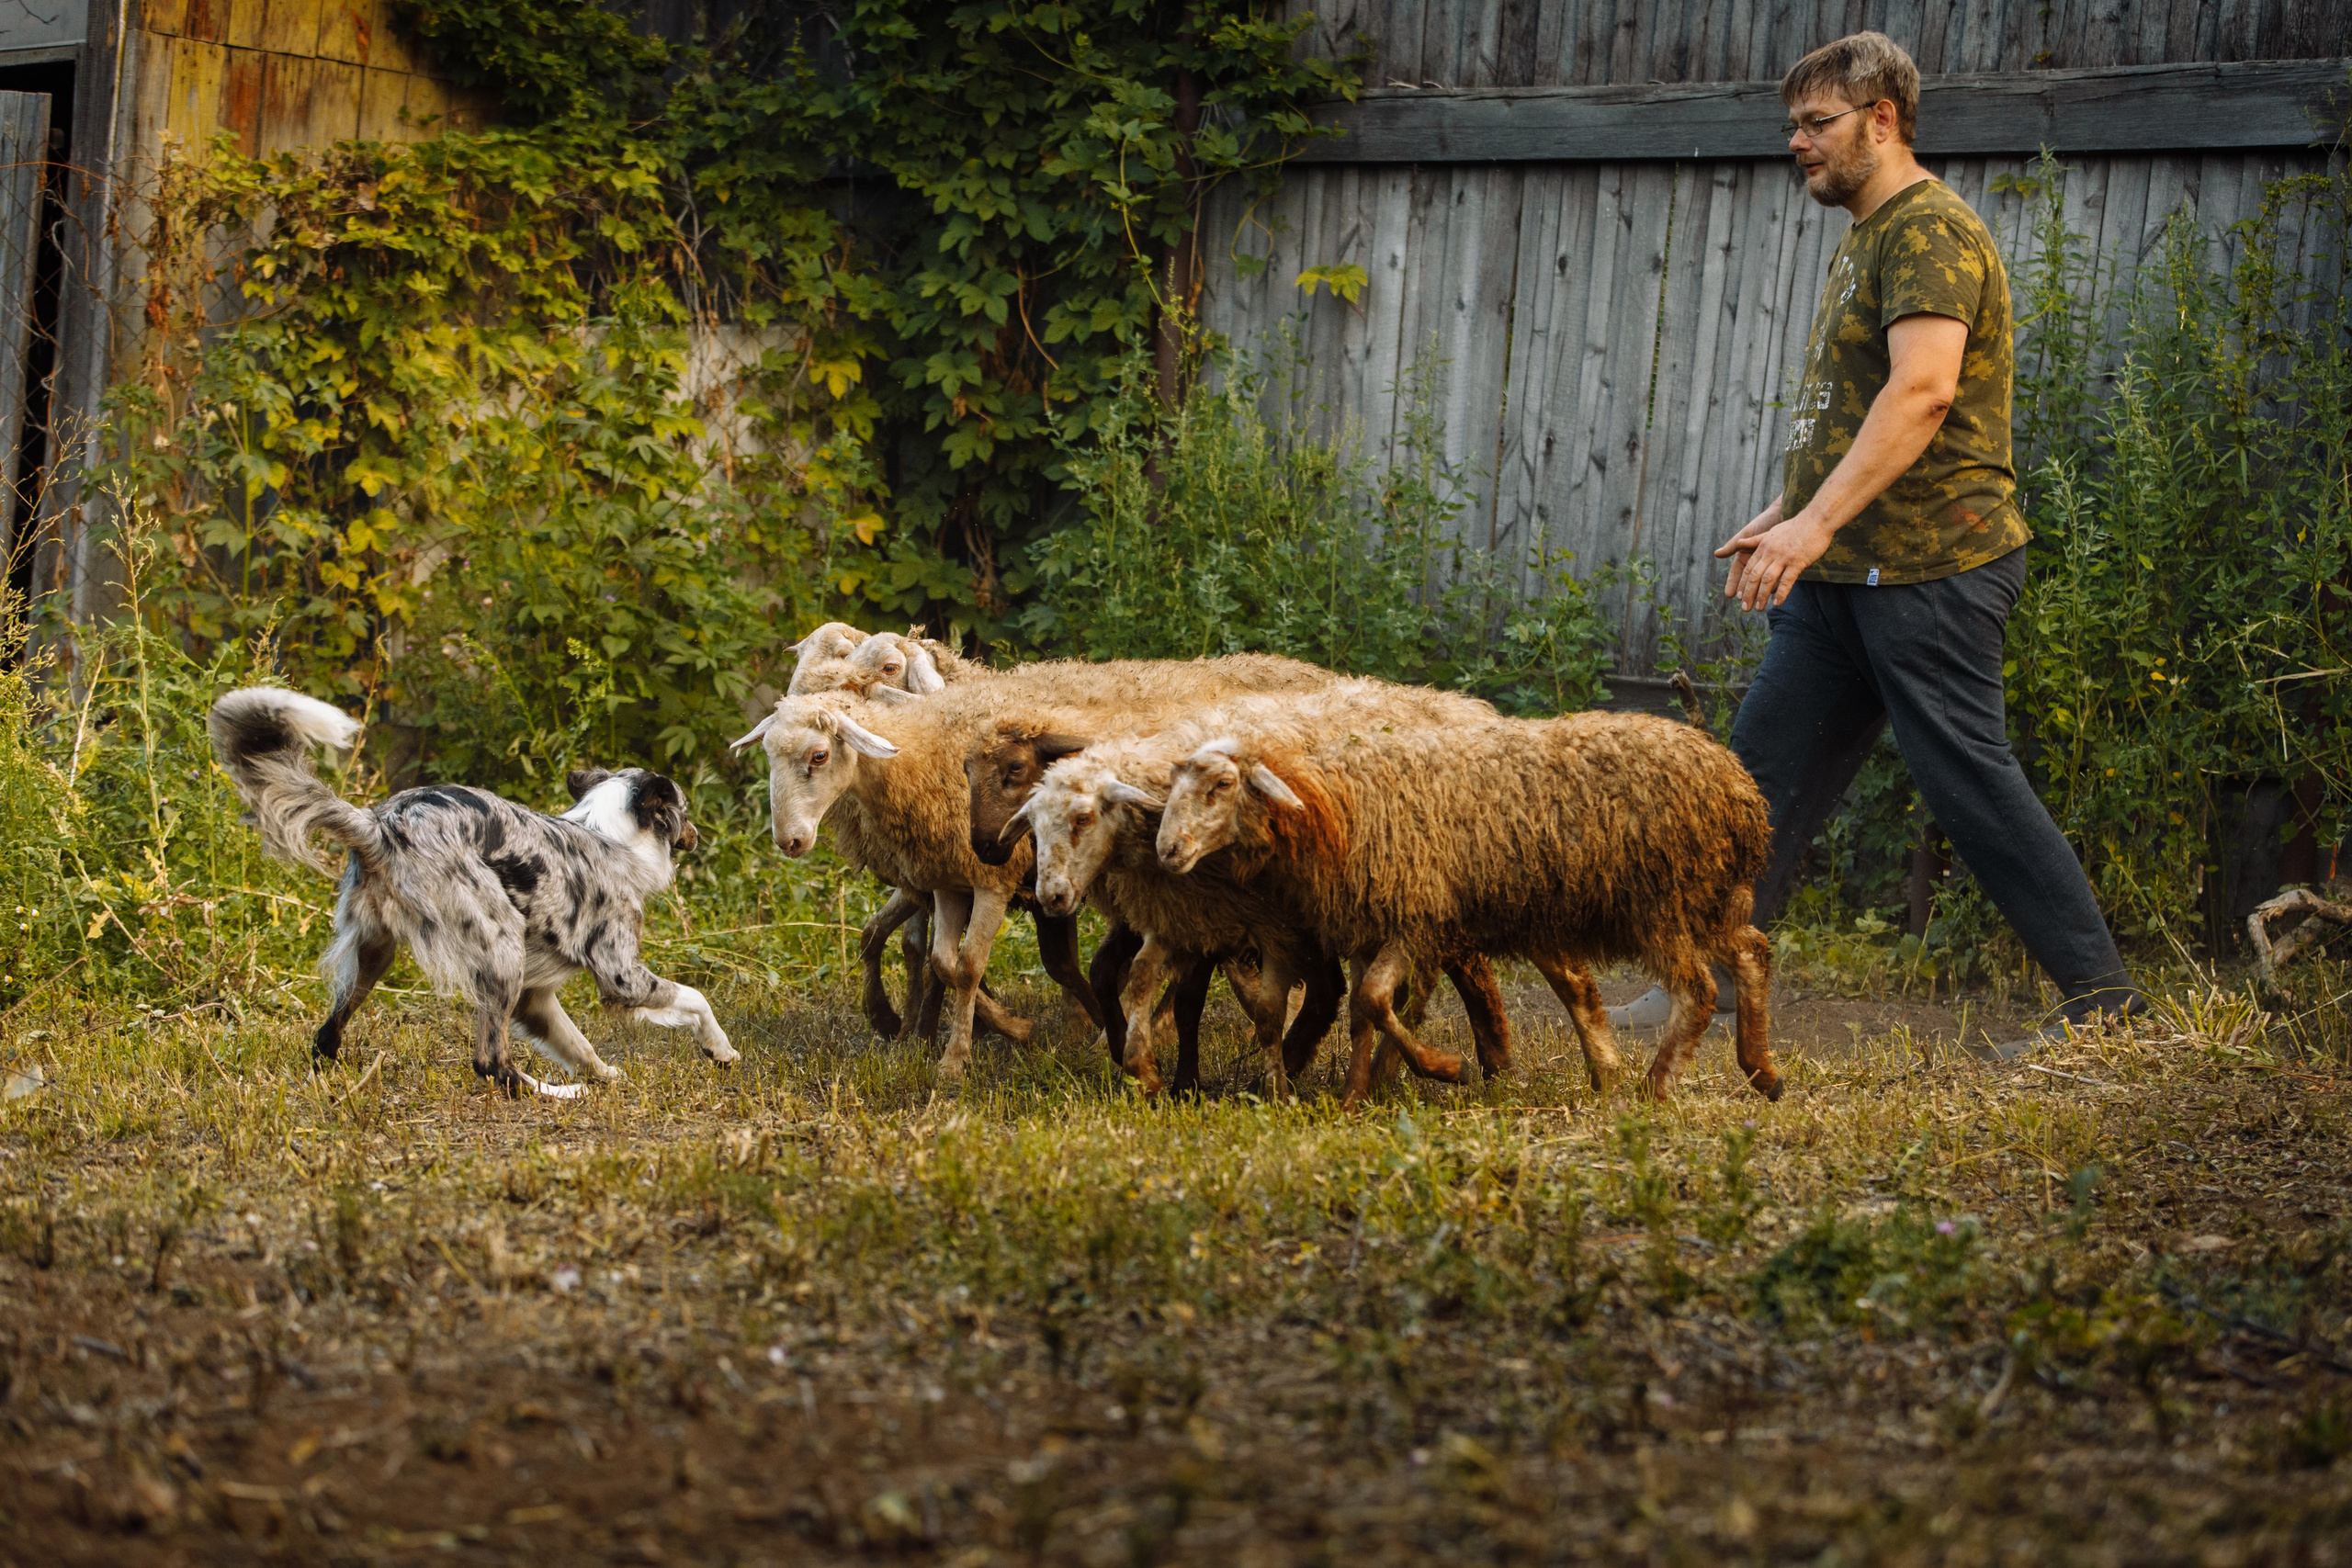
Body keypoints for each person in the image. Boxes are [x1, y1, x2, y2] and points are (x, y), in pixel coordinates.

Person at [1609, 31, 2142, 1055]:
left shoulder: (1928, 231)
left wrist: (1812, 525)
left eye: (1817, 125)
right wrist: (1791, 504)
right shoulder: (1870, 232)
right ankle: (1705, 984)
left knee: (1968, 781)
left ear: (1882, 119)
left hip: (1933, 567)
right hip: (1849, 567)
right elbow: (1864, 413)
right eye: (1792, 127)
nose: (1797, 145)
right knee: (1760, 779)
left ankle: (2104, 1007)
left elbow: (1924, 392)